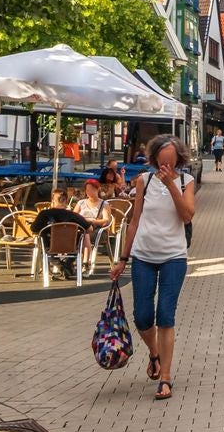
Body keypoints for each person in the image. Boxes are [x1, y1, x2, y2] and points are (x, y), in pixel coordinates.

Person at [112, 134, 196, 401]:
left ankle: (165, 378)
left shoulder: (185, 182)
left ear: (178, 161)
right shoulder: (143, 182)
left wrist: (171, 184)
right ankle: (154, 353)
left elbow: (187, 215)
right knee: (143, 316)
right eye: (161, 162)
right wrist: (123, 258)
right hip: (143, 256)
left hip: (174, 256)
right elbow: (134, 222)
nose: (165, 167)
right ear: (154, 159)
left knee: (165, 315)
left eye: (170, 163)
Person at [32, 187, 92, 280]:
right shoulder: (73, 215)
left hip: (50, 246)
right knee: (80, 237)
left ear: (52, 200)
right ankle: (67, 265)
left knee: (43, 241)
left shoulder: (44, 214)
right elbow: (90, 229)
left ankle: (61, 266)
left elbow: (34, 229)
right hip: (71, 246)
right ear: (66, 200)